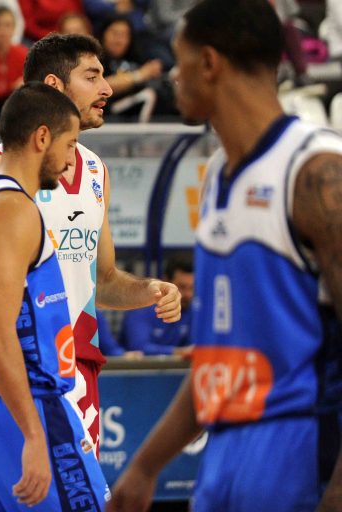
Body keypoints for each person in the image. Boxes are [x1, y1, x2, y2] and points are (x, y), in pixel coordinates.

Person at [109, 1, 342, 511]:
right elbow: (219, 360)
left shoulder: (316, 170)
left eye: (180, 61)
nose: (173, 76)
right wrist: (145, 466)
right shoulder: (216, 174)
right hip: (223, 453)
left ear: (210, 63)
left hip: (299, 447)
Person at [0, 33, 181, 454]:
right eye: (92, 76)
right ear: (54, 85)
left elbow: (103, 281)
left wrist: (150, 290)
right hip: (22, 369)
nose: (107, 89)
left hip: (80, 368)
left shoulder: (96, 169)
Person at [0, 81, 109, 510]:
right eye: (70, 145)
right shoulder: (13, 209)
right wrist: (34, 432)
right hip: (21, 405)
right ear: (42, 137)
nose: (71, 161)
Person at [120, 257, 193, 355]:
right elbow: (139, 347)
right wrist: (177, 352)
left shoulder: (192, 309)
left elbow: (196, 346)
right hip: (139, 365)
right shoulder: (141, 307)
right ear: (166, 282)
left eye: (192, 288)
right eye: (182, 287)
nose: (188, 294)